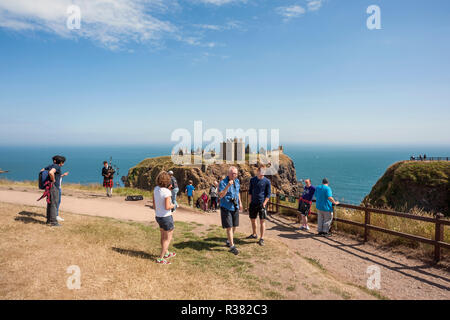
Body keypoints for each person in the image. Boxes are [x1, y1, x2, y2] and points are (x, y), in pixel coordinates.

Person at [152, 171, 176, 265]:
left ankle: (166, 253)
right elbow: (167, 206)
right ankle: (161, 258)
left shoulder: (155, 189)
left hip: (158, 216)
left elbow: (154, 204)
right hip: (166, 217)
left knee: (162, 236)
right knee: (168, 238)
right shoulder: (167, 192)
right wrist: (173, 205)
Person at [218, 166, 243, 255]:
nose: (234, 175)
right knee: (229, 226)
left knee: (234, 226)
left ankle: (229, 241)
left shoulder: (237, 181)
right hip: (226, 207)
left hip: (235, 207)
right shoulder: (223, 183)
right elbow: (221, 195)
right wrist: (228, 186)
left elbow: (237, 192)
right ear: (228, 173)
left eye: (235, 173)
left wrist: (240, 203)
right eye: (232, 173)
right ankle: (232, 246)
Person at [247, 164, 271, 246]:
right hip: (253, 203)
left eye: (264, 171)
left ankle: (262, 238)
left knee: (262, 221)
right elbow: (250, 192)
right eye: (261, 171)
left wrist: (264, 203)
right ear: (258, 171)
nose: (263, 173)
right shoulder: (252, 180)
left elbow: (268, 194)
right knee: (253, 220)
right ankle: (254, 234)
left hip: (262, 204)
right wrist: (250, 203)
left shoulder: (267, 181)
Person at [41, 155, 66, 227]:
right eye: (63, 162)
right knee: (54, 204)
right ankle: (54, 222)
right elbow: (51, 172)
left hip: (49, 186)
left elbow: (42, 170)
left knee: (50, 203)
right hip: (54, 187)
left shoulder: (51, 165)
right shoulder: (57, 166)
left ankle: (49, 220)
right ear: (61, 162)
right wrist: (53, 179)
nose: (63, 164)